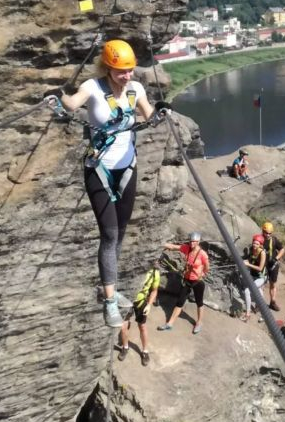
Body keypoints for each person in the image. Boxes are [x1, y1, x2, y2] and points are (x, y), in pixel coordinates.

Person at [44, 39, 169, 328]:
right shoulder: (92, 87)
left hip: (127, 168)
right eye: (120, 71)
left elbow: (149, 117)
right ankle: (110, 301)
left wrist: (162, 112)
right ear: (108, 68)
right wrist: (60, 97)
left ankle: (110, 288)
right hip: (98, 168)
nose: (127, 76)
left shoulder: (136, 89)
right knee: (109, 235)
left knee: (120, 233)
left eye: (129, 70)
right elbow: (73, 104)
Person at [159, 231, 209, 334]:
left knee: (199, 302)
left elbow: (207, 267)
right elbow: (174, 247)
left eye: (194, 242)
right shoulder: (187, 248)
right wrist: (161, 243)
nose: (192, 244)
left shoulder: (202, 254)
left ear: (198, 242)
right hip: (187, 280)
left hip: (197, 281)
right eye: (190, 241)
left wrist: (202, 274)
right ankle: (170, 324)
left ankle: (199, 322)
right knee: (180, 302)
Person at [117, 260, 162, 366]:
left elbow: (154, 290)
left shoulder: (155, 272)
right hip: (127, 299)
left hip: (141, 301)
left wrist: (149, 304)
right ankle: (125, 347)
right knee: (123, 326)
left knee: (142, 326)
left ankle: (145, 351)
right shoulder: (135, 265)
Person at [240, 235, 267, 322]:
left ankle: (248, 314)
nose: (255, 245)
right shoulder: (252, 250)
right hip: (253, 275)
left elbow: (260, 268)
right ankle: (263, 311)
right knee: (259, 292)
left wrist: (248, 264)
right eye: (254, 243)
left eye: (257, 244)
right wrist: (246, 261)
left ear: (261, 245)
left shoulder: (262, 253)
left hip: (261, 277)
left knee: (248, 291)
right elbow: (250, 259)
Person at [260, 221, 285, 311]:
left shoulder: (274, 240)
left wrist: (276, 258)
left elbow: (282, 249)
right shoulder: (259, 240)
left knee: (273, 284)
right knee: (261, 284)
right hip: (263, 265)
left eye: (269, 233)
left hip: (273, 264)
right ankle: (258, 303)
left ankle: (272, 302)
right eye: (266, 233)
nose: (267, 235)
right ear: (262, 231)